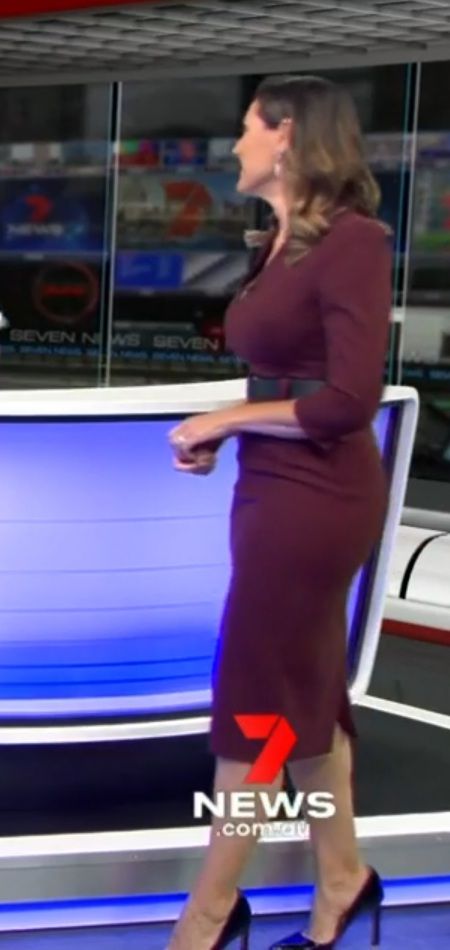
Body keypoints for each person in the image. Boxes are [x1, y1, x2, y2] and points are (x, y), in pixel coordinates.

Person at [167, 75, 391, 950]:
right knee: (305, 693)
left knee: (258, 703)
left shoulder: (354, 243)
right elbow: (289, 381)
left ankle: (210, 912)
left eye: (246, 128)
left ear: (288, 134)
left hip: (318, 497)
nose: (234, 145)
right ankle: (342, 878)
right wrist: (235, 429)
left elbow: (347, 402)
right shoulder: (282, 244)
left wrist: (227, 419)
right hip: (271, 487)